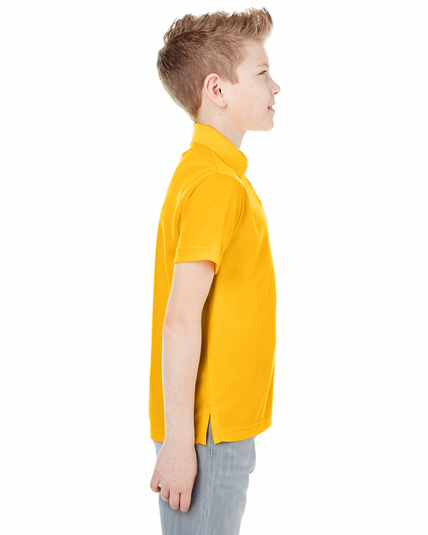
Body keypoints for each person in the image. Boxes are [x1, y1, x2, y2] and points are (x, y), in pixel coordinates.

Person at [148, 7, 281, 534]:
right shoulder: (216, 184)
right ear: (217, 89)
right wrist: (181, 444)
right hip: (207, 433)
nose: (276, 86)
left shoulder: (212, 172)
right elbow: (181, 317)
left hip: (213, 428)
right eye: (262, 73)